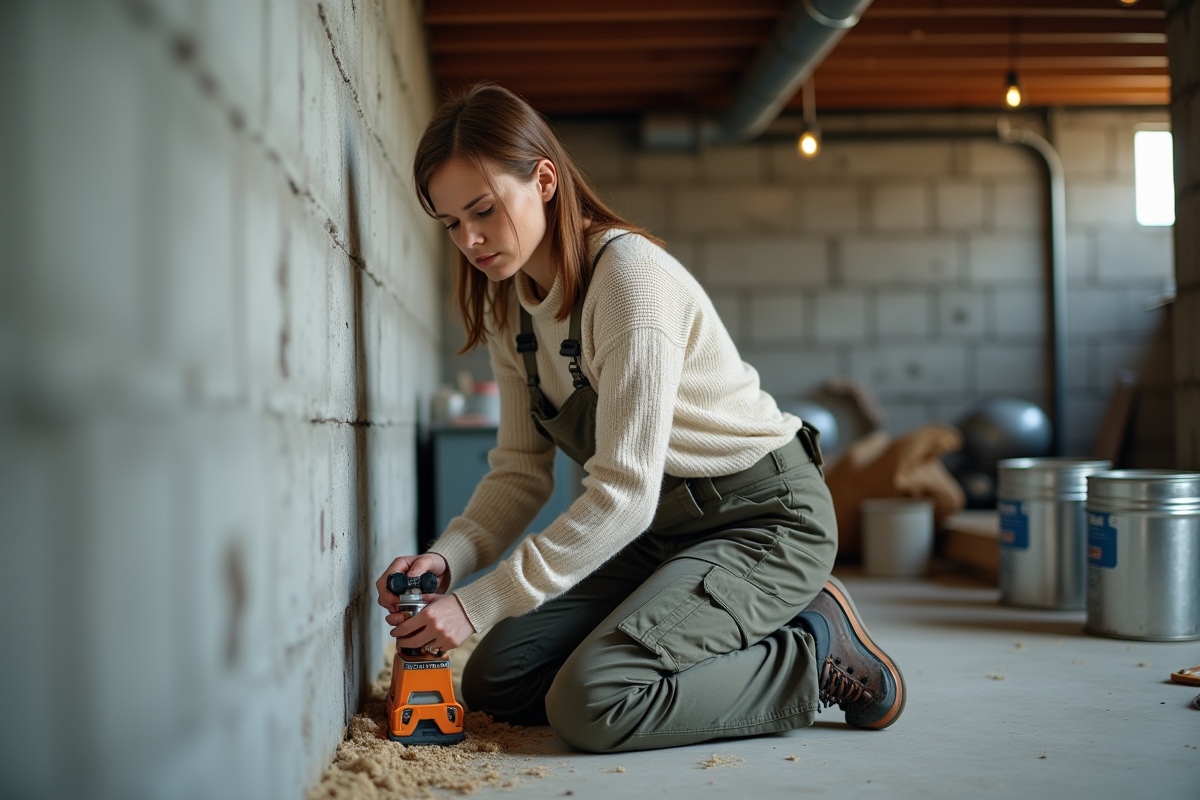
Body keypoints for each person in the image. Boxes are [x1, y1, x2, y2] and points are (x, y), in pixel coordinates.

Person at [376, 84, 905, 753]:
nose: (470, 239)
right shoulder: (508, 311)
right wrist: (446, 564)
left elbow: (623, 495)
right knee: (497, 682)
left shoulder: (627, 280)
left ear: (543, 180)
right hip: (659, 536)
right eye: (450, 223)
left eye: (482, 209)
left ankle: (814, 650)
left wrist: (479, 605)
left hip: (762, 518)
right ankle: (703, 623)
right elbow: (518, 475)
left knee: (591, 703)